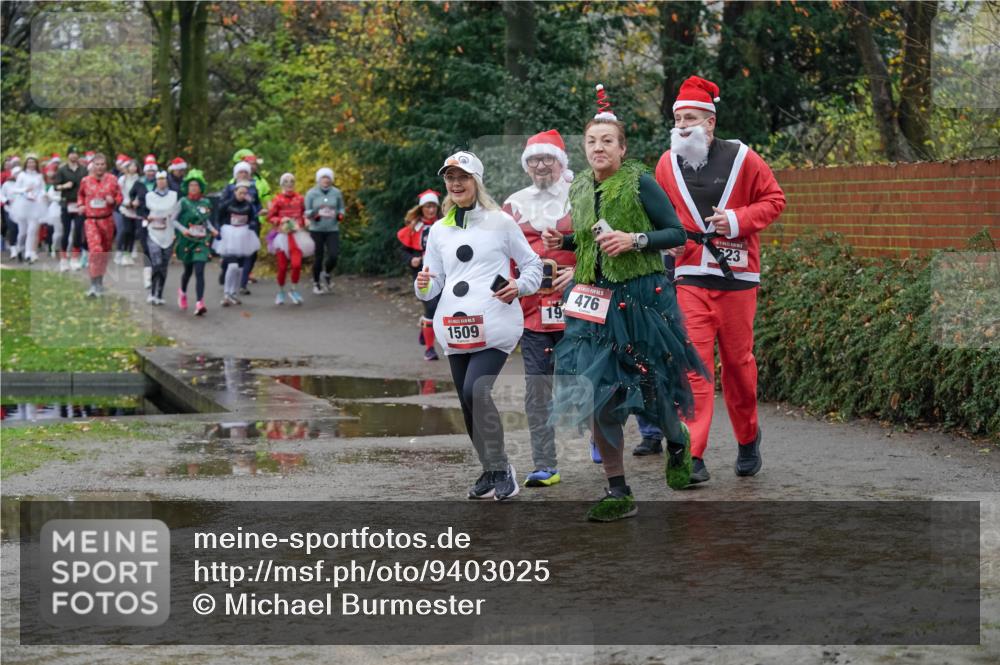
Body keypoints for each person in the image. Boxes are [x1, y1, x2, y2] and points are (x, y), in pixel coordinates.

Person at [544, 85, 704, 522]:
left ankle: (676, 439)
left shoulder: (640, 183)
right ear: (584, 148)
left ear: (622, 146)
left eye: (607, 141)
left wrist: (635, 240)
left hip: (642, 303)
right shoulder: (578, 190)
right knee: (598, 397)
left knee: (652, 390)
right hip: (592, 308)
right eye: (592, 141)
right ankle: (618, 490)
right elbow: (590, 239)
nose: (599, 148)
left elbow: (677, 234)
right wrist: (566, 241)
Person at [654, 75, 786, 483]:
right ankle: (693, 456)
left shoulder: (745, 158)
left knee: (738, 365)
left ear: (710, 122)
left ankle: (748, 438)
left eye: (690, 118)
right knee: (694, 366)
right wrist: (666, 244)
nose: (682, 126)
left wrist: (736, 220)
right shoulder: (665, 164)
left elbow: (775, 200)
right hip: (691, 275)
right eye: (677, 119)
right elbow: (658, 215)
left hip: (738, 277)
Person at [415, 150, 543, 501]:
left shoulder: (500, 221)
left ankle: (503, 469)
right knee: (467, 401)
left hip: (495, 324)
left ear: (477, 181)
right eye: (450, 178)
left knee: (476, 390)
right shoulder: (439, 230)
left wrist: (519, 286)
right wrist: (423, 283)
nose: (456, 183)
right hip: (455, 328)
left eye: (463, 177)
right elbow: (433, 281)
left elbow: (532, 264)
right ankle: (489, 469)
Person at [502, 129, 578, 487]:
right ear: (526, 166)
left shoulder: (582, 196)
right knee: (537, 390)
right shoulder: (513, 204)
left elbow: (600, 243)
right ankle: (545, 464)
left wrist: (579, 271)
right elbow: (501, 257)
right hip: (533, 313)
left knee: (592, 380)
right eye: (534, 160)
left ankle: (601, 435)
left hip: (580, 306)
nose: (541, 165)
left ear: (560, 162)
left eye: (548, 158)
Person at [398, 189, 443, 360]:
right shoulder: (414, 228)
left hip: (443, 273)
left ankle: (426, 329)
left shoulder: (445, 224)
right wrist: (411, 259)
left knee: (440, 307)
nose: (431, 210)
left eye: (433, 206)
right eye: (427, 207)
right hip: (421, 274)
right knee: (431, 307)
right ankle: (429, 349)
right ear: (421, 208)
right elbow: (402, 251)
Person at [76, 153, 123, 296]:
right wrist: (80, 206)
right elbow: (81, 195)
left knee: (104, 252)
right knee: (95, 250)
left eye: (102, 164)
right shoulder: (85, 181)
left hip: (107, 219)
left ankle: (99, 282)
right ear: (92, 165)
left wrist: (113, 200)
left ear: (106, 165)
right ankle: (93, 285)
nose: (100, 167)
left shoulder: (113, 180)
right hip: (91, 220)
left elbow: (119, 197)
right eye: (97, 164)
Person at [174, 169, 218, 316]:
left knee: (200, 270)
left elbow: (206, 221)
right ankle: (183, 292)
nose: (194, 187)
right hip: (187, 240)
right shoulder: (183, 202)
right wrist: (183, 230)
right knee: (188, 271)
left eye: (196, 185)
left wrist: (212, 230)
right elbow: (172, 219)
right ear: (187, 186)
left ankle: (200, 302)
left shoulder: (205, 202)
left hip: (201, 240)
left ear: (201, 187)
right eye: (191, 185)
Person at [266, 173, 314, 305]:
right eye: (286, 182)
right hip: (282, 237)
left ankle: (293, 290)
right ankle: (281, 291)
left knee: (296, 265)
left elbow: (306, 212)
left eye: (292, 181)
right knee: (282, 267)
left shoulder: (300, 198)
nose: (289, 184)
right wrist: (281, 220)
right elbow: (270, 217)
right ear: (282, 184)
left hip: (298, 237)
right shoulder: (278, 199)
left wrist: (306, 219)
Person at [215, 182, 261, 306]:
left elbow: (253, 218)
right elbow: (218, 218)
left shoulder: (249, 205)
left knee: (239, 269)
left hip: (244, 237)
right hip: (229, 236)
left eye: (245, 193)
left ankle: (233, 294)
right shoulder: (226, 204)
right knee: (232, 266)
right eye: (240, 192)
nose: (242, 195)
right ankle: (226, 294)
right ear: (235, 192)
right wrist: (218, 230)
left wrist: (252, 224)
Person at [304, 167, 345, 294]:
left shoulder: (336, 193)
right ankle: (316, 283)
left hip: (332, 228)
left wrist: (340, 215)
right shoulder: (311, 193)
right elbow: (306, 211)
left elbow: (341, 208)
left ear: (331, 180)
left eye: (328, 178)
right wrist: (314, 214)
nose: (326, 181)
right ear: (319, 180)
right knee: (318, 256)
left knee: (334, 254)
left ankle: (326, 273)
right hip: (316, 229)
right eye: (323, 178)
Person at [143, 170, 179, 306]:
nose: (162, 181)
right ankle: (152, 293)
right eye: (159, 179)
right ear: (156, 181)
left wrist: (173, 216)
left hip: (168, 233)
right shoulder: (149, 196)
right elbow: (143, 212)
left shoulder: (174, 196)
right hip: (154, 233)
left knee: (164, 265)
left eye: (164, 179)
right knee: (156, 262)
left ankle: (159, 293)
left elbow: (177, 212)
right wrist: (148, 217)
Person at [54, 146, 88, 271]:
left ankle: (75, 257)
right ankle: (63, 259)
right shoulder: (62, 170)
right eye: (71, 153)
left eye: (76, 153)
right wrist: (64, 186)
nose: (74, 156)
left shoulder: (83, 170)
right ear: (68, 155)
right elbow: (55, 187)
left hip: (79, 204)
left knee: (78, 230)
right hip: (66, 204)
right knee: (66, 231)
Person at [131, 155, 160, 290]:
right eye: (148, 171)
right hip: (142, 219)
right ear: (145, 171)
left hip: (156, 219)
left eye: (153, 171)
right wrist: (133, 202)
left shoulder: (160, 183)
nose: (150, 173)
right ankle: (147, 277)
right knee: (146, 247)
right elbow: (131, 195)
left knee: (156, 247)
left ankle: (157, 273)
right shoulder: (139, 183)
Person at [11, 154, 48, 263]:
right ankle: (19, 248)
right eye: (29, 162)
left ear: (36, 164)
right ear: (26, 163)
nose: (31, 164)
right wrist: (24, 190)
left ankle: (28, 253)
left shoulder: (39, 176)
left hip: (36, 205)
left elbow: (42, 188)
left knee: (32, 230)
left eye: (33, 162)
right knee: (22, 232)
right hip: (23, 204)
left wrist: (43, 195)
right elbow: (15, 189)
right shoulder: (22, 175)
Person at [115, 157, 140, 265]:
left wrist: (137, 202)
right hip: (125, 208)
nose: (133, 168)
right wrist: (126, 203)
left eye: (135, 166)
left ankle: (128, 253)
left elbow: (141, 193)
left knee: (133, 232)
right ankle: (122, 253)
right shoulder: (122, 179)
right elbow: (119, 193)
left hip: (136, 209)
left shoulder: (139, 179)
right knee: (126, 230)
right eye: (131, 166)